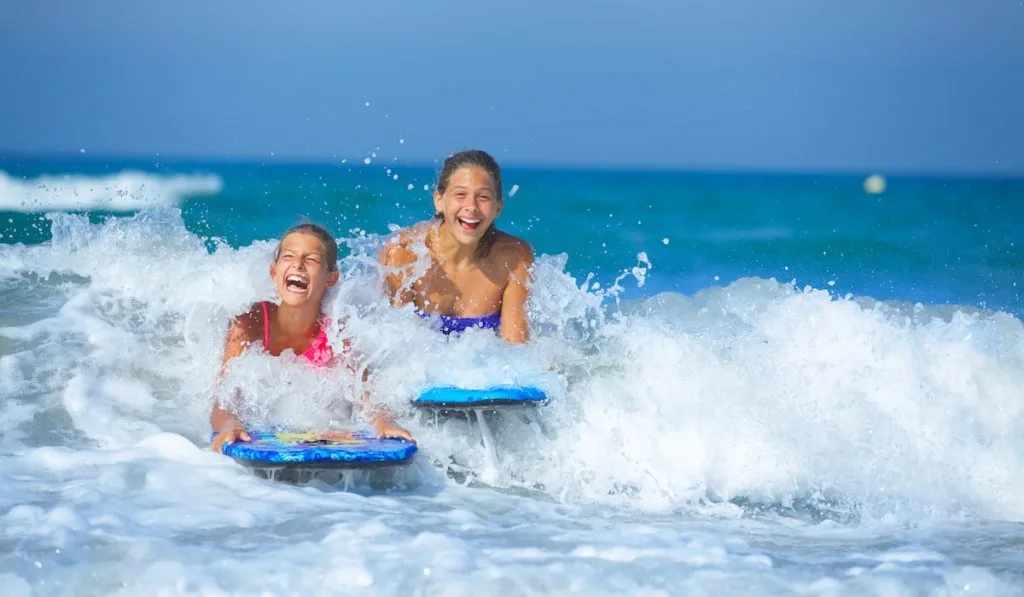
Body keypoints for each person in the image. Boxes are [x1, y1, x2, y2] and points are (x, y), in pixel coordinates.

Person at [211, 222, 414, 453]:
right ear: (274, 272)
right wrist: (229, 424)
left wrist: (383, 422)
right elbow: (223, 401)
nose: (298, 265)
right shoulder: (249, 325)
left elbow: (366, 396)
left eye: (311, 260)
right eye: (288, 256)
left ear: (331, 278)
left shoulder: (337, 332)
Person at [379, 150, 535, 343]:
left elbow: (517, 346)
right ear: (439, 201)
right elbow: (391, 347)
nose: (471, 206)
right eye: (460, 194)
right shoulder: (404, 254)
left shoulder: (514, 258)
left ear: (498, 207)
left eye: (483, 197)